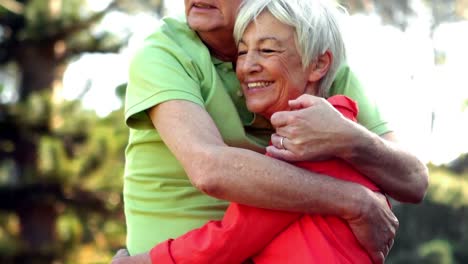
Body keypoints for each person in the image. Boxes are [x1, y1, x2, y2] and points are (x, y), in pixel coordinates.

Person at [118, 0, 428, 262]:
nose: (249, 65)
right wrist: (353, 200)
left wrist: (348, 138)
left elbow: (413, 179)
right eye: (244, 52)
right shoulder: (164, 52)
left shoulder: (313, 120)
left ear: (318, 65)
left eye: (267, 50)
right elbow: (210, 169)